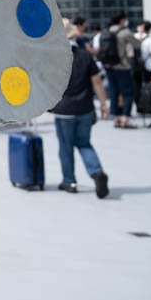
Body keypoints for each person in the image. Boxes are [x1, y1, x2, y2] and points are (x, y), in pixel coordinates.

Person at [51, 19, 110, 198]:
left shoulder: (55, 57)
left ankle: (69, 181)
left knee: (66, 147)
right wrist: (104, 104)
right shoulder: (85, 55)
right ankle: (97, 172)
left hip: (64, 110)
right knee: (84, 143)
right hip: (85, 108)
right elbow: (97, 80)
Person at [100, 11, 140, 129]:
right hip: (122, 67)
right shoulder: (125, 32)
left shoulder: (107, 31)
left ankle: (116, 119)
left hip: (109, 67)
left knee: (114, 92)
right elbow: (137, 44)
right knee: (128, 93)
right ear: (122, 20)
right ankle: (125, 119)